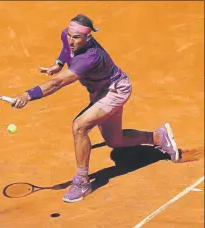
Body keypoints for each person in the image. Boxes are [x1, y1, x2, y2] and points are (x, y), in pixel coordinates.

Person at [12, 14, 180, 203]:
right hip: (100, 91)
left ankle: (82, 181)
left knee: (80, 126)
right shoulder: (68, 36)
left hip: (115, 91)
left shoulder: (89, 57)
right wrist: (59, 64)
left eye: (76, 37)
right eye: (69, 34)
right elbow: (66, 49)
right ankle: (158, 137)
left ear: (88, 38)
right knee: (115, 141)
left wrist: (27, 95)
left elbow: (57, 83)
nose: (71, 39)